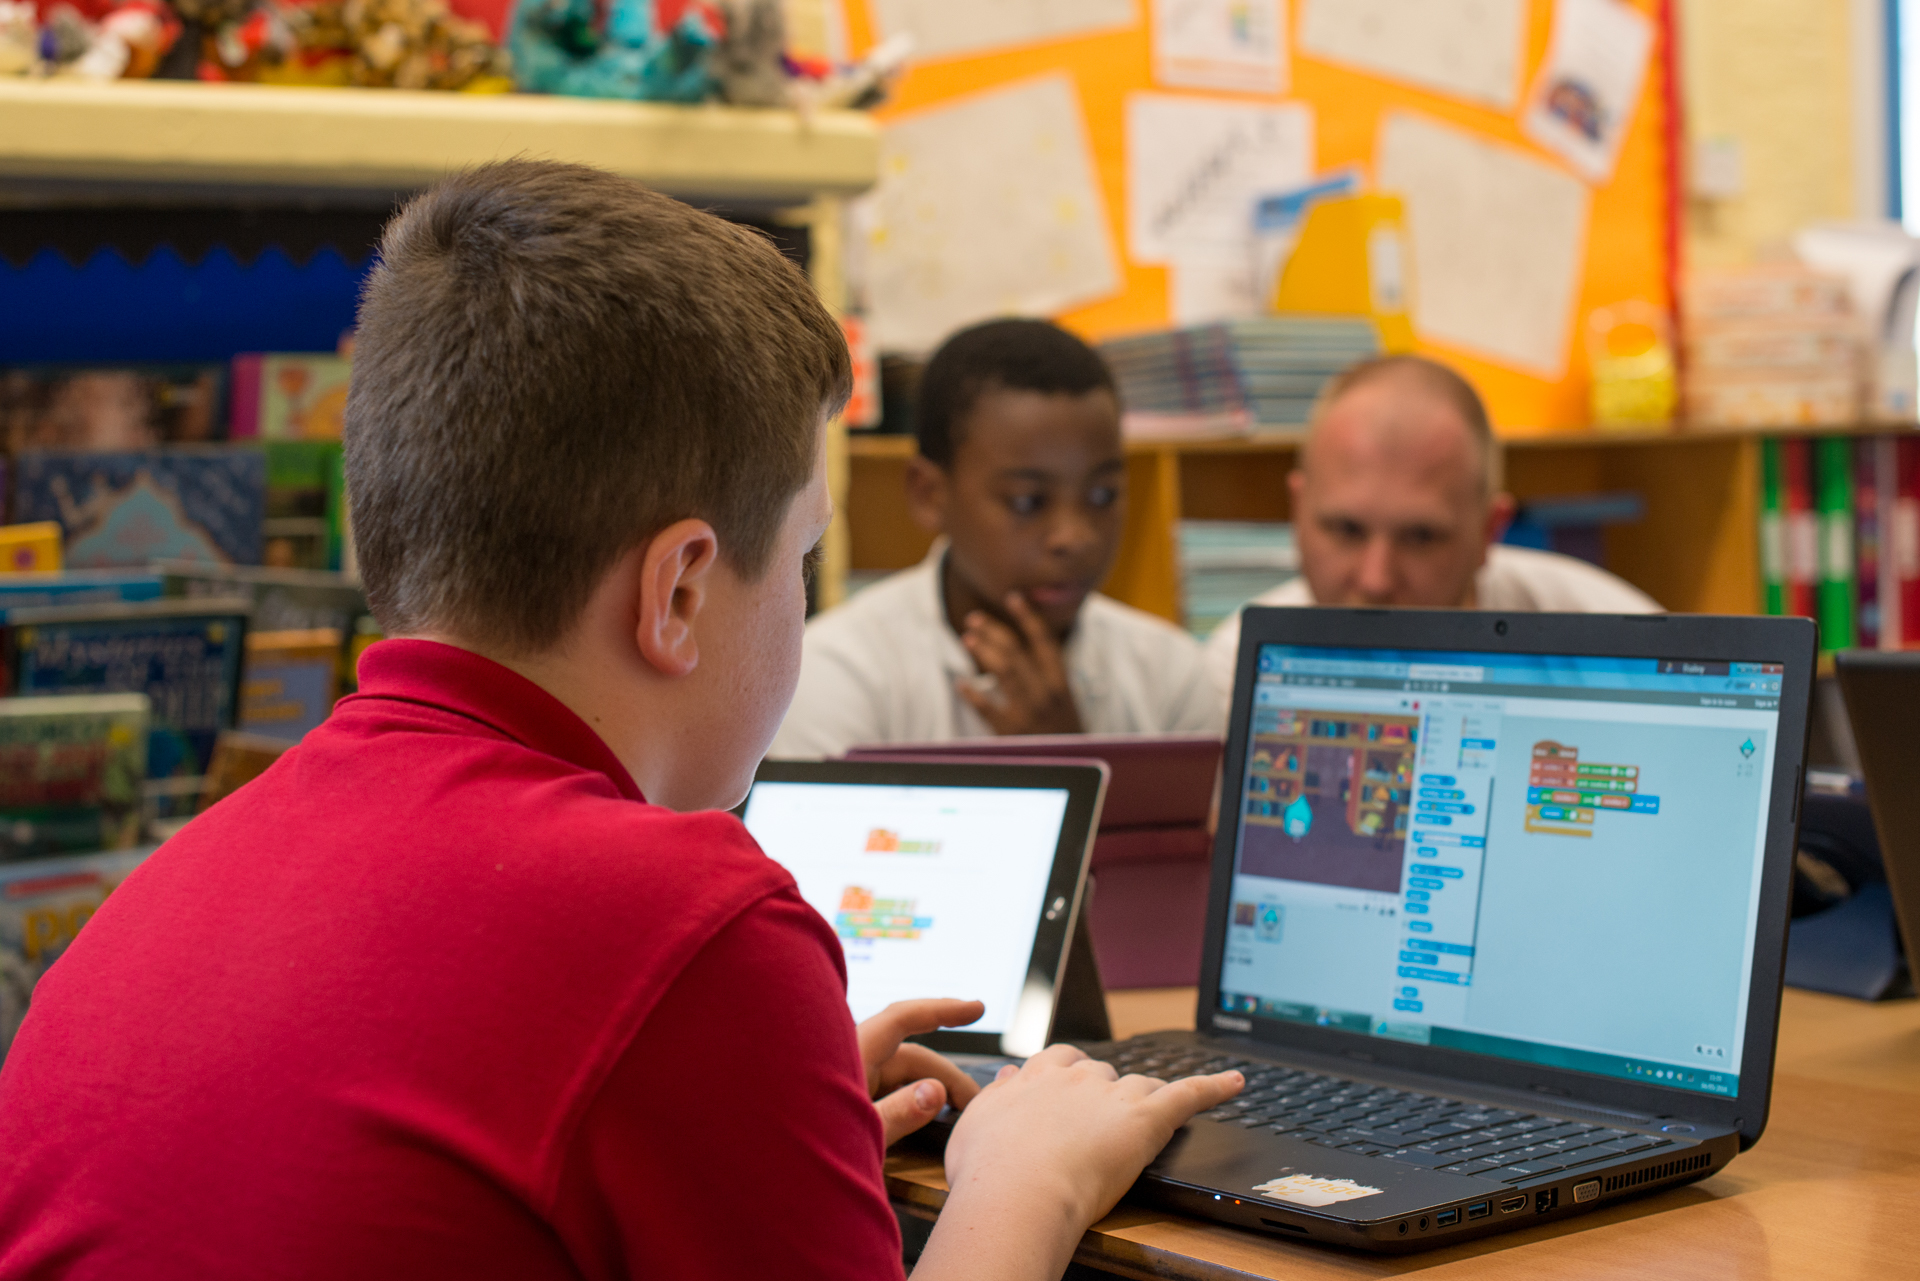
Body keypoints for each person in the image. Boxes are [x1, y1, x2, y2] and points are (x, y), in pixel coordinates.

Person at [0, 163, 1240, 1281]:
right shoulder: (693, 928)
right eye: (804, 554)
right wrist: (1032, 1179)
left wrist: (757, 1111)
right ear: (681, 590)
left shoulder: (176, 880)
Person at [771, 318, 1221, 759]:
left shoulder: (1171, 675)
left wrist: (1069, 754)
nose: (1074, 537)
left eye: (1103, 495)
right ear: (930, 493)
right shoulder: (837, 672)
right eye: (1027, 501)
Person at [1204, 355, 1659, 695]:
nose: (1375, 580)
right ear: (1297, 511)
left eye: (1420, 537)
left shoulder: (1626, 653)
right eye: (1346, 530)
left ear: (1489, 531)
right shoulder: (1239, 670)